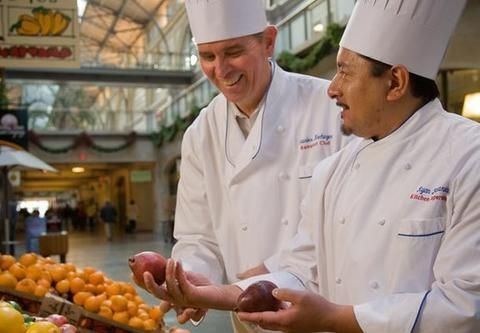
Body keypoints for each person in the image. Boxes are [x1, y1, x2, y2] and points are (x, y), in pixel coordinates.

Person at [143, 0, 480, 332]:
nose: (332, 88)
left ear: (395, 83)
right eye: (207, 55)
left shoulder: (468, 156)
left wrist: (333, 319)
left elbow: (467, 306)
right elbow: (303, 266)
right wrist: (208, 292)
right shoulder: (336, 169)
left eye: (345, 72)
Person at [156, 0, 352, 329]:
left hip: (326, 313)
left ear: (268, 42)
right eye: (207, 56)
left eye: (233, 52)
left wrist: (274, 270)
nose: (221, 70)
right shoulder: (200, 134)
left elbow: (350, 222)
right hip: (248, 319)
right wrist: (192, 278)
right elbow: (197, 236)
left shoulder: (331, 109)